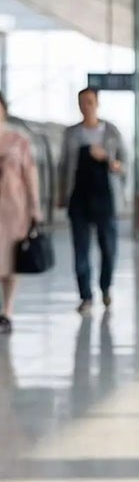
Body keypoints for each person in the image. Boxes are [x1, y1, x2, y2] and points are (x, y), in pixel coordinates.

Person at [64, 87, 126, 315]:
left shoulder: (111, 132)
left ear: (97, 103)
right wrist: (63, 195)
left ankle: (105, 287)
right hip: (79, 198)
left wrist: (108, 159)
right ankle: (85, 296)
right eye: (82, 102)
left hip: (105, 198)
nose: (86, 106)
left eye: (90, 102)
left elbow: (123, 164)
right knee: (80, 250)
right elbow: (64, 167)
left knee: (108, 248)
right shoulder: (71, 134)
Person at [0, 93, 45, 334]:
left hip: (14, 210)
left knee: (11, 261)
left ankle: (7, 311)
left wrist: (35, 209)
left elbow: (31, 176)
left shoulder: (19, 141)